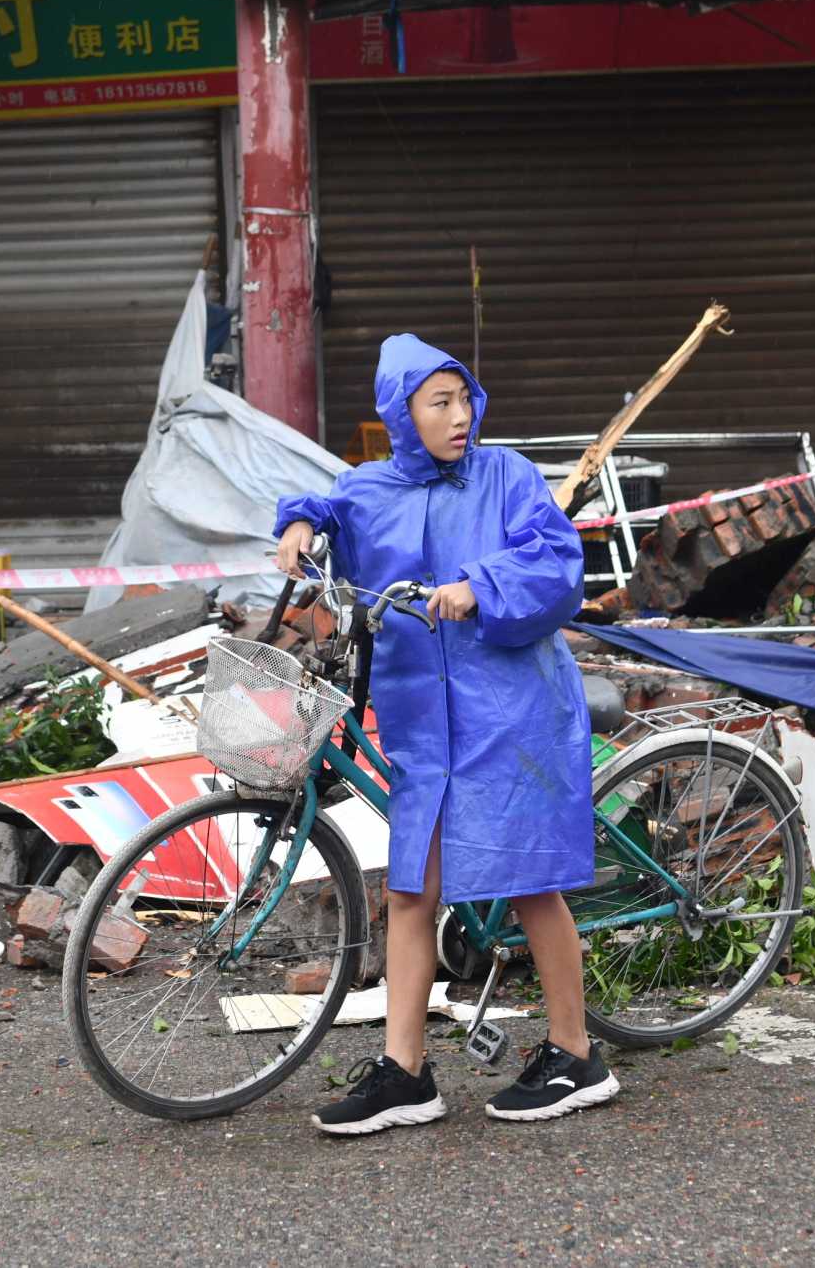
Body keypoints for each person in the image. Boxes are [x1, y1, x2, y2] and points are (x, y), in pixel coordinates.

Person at [273, 333, 616, 1135]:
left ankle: (576, 1053)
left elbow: (558, 564)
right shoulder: (370, 487)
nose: (461, 415)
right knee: (409, 890)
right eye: (441, 402)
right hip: (423, 719)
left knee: (530, 881)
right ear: (402, 413)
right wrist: (296, 524)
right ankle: (406, 1074)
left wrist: (480, 586)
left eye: (464, 399)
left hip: (512, 707)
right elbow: (325, 506)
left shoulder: (508, 476)